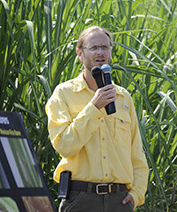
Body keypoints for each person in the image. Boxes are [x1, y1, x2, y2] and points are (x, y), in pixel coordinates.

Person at [45, 26, 149, 212]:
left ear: (110, 52)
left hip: (120, 201)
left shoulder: (123, 97)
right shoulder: (64, 93)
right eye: (93, 48)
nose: (100, 52)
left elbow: (137, 157)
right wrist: (94, 107)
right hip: (81, 199)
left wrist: (135, 196)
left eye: (105, 47)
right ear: (80, 53)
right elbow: (64, 145)